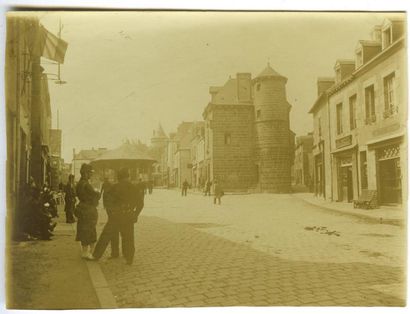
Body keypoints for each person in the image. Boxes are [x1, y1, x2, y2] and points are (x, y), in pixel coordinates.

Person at [93, 168, 144, 265]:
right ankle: (129, 258)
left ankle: (96, 255)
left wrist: (111, 213)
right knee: (128, 237)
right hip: (128, 215)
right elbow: (140, 204)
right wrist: (135, 214)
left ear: (118, 177)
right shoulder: (134, 187)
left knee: (106, 235)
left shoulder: (114, 187)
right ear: (128, 176)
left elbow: (107, 201)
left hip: (115, 216)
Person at [75, 164, 100, 259]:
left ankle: (84, 252)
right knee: (91, 229)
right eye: (90, 173)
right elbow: (95, 196)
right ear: (85, 173)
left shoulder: (79, 183)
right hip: (89, 209)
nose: (91, 175)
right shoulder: (87, 184)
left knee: (82, 229)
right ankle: (91, 252)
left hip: (81, 208)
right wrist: (97, 193)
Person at [100, 177, 119, 258]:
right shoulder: (110, 187)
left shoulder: (108, 190)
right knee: (115, 232)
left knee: (112, 232)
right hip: (113, 213)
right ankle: (115, 252)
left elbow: (103, 194)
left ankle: (115, 252)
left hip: (112, 214)